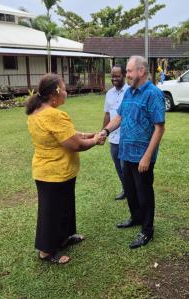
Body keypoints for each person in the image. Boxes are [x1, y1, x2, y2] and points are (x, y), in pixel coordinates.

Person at [26, 73, 103, 264]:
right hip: (54, 173)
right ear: (55, 95)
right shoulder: (54, 115)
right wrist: (94, 140)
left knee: (64, 207)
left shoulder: (37, 111)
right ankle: (46, 251)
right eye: (64, 89)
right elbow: (75, 145)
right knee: (51, 212)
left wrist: (85, 134)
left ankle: (65, 237)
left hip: (54, 171)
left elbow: (63, 134)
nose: (67, 92)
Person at [100, 55, 166, 249]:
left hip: (142, 157)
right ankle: (136, 218)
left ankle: (147, 231)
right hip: (125, 152)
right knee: (130, 190)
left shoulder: (153, 94)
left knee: (144, 193)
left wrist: (147, 156)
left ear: (141, 71)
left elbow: (159, 128)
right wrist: (105, 131)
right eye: (127, 71)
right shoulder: (129, 93)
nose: (126, 74)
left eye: (129, 71)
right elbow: (119, 116)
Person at [102, 64, 129, 200]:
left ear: (124, 75)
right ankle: (125, 190)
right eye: (112, 76)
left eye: (117, 75)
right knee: (118, 167)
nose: (114, 78)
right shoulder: (109, 93)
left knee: (126, 168)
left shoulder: (130, 91)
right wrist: (103, 132)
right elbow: (107, 114)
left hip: (126, 138)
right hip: (113, 138)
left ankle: (132, 191)